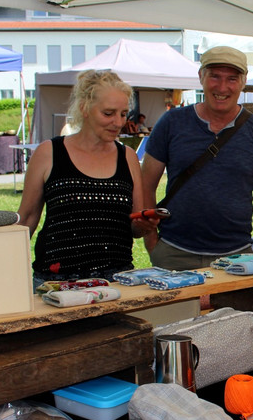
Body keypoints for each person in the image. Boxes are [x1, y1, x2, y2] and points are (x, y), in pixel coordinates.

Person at [141, 46, 253, 270]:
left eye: (232, 79)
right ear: (201, 76)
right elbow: (146, 185)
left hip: (237, 257)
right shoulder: (172, 123)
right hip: (174, 253)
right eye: (215, 76)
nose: (222, 87)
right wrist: (153, 243)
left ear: (243, 81)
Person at [18, 70, 157, 283]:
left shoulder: (127, 157)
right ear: (84, 108)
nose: (118, 122)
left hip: (115, 281)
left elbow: (134, 225)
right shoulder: (49, 152)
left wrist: (145, 224)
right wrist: (3, 264)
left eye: (123, 114)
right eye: (108, 113)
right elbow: (26, 218)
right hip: (57, 282)